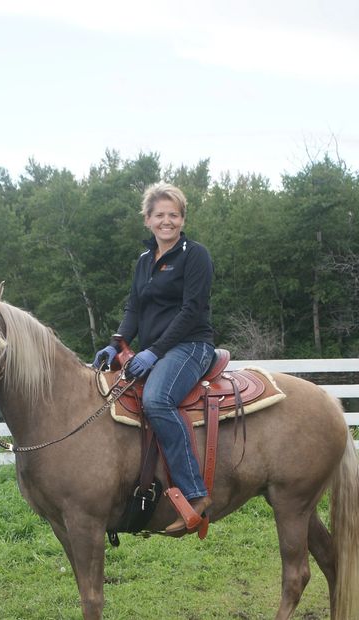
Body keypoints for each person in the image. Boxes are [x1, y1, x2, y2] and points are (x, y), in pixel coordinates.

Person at [93, 182, 215, 535]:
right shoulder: (145, 261)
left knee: (157, 400)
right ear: (147, 220)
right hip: (156, 350)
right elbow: (134, 308)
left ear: (182, 218)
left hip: (191, 345)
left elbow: (192, 311)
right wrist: (117, 343)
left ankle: (195, 495)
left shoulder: (196, 255)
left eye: (174, 215)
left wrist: (154, 351)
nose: (167, 221)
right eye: (160, 215)